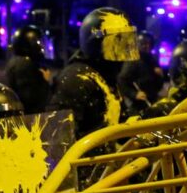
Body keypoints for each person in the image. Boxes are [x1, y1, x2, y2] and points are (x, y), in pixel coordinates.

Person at [49, 7, 137, 136]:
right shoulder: (76, 79)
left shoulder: (104, 75)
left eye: (125, 42)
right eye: (116, 42)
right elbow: (59, 137)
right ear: (96, 43)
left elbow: (114, 122)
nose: (123, 49)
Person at [117, 30, 166, 116]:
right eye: (143, 44)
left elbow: (158, 84)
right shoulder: (133, 60)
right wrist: (135, 94)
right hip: (136, 105)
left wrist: (160, 76)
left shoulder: (152, 59)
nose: (147, 46)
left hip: (151, 100)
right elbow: (121, 81)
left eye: (149, 44)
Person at [5, 25, 52, 113]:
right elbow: (33, 100)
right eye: (38, 42)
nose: (41, 46)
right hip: (28, 119)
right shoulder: (25, 65)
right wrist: (46, 81)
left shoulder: (17, 61)